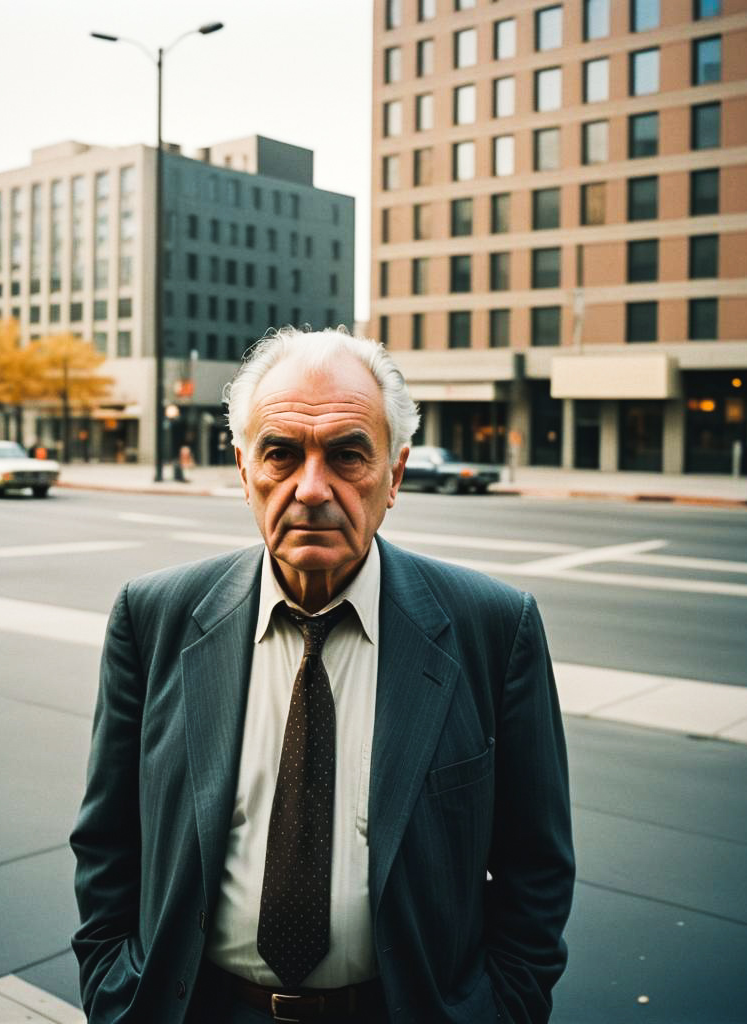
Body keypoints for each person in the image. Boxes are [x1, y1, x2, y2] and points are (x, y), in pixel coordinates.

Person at [71, 328, 574, 1024]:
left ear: (393, 476)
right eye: (281, 454)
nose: (312, 489)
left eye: (346, 455)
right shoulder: (152, 616)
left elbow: (536, 870)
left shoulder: (494, 628)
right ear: (244, 471)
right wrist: (115, 993)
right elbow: (107, 842)